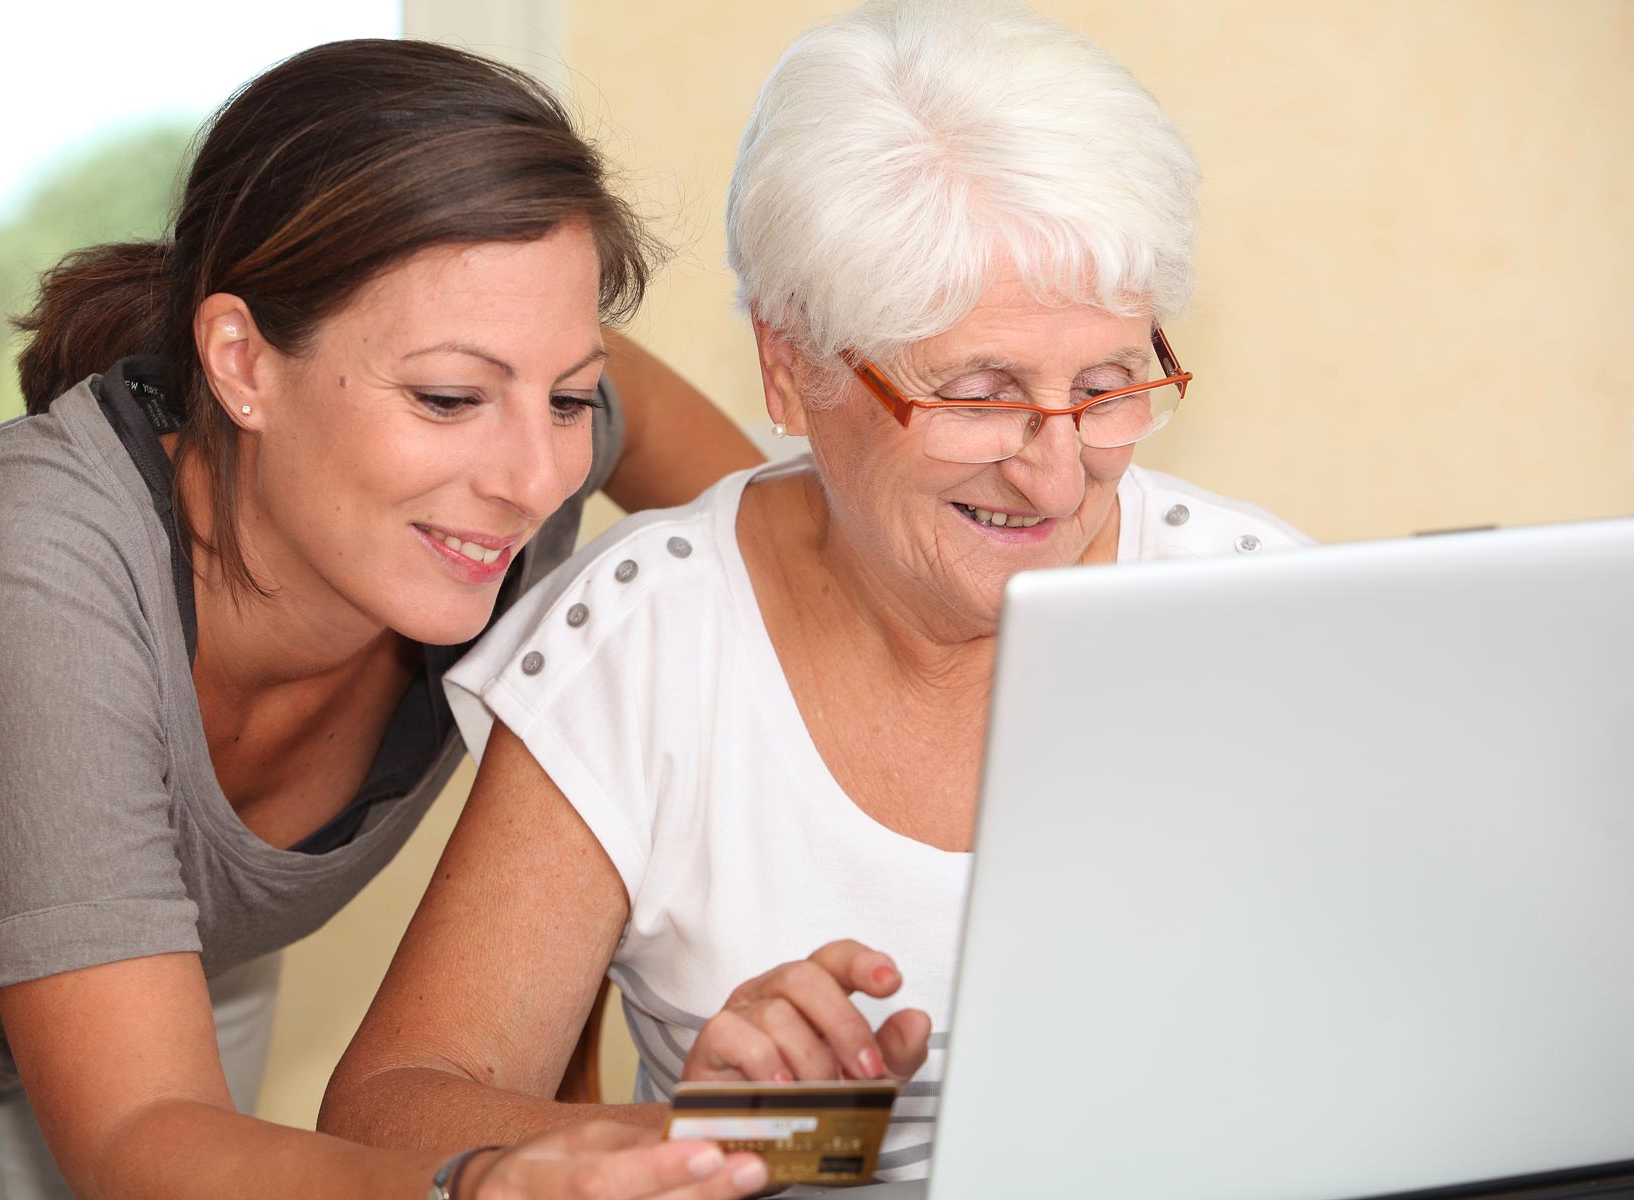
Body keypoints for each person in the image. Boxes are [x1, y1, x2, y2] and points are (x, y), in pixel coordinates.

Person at [319, 0, 1312, 1187]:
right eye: (980, 393)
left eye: (1106, 386)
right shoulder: (645, 644)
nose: (1057, 473)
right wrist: (738, 1143)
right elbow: (386, 1113)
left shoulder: (1267, 614)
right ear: (791, 368)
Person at [0, 37, 770, 1200]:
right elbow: (139, 1139)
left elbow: (793, 560)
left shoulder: (509, 438)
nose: (535, 478)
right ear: (239, 360)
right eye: (447, 397)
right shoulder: (35, 571)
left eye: (569, 395)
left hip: (168, 982)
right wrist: (481, 1183)